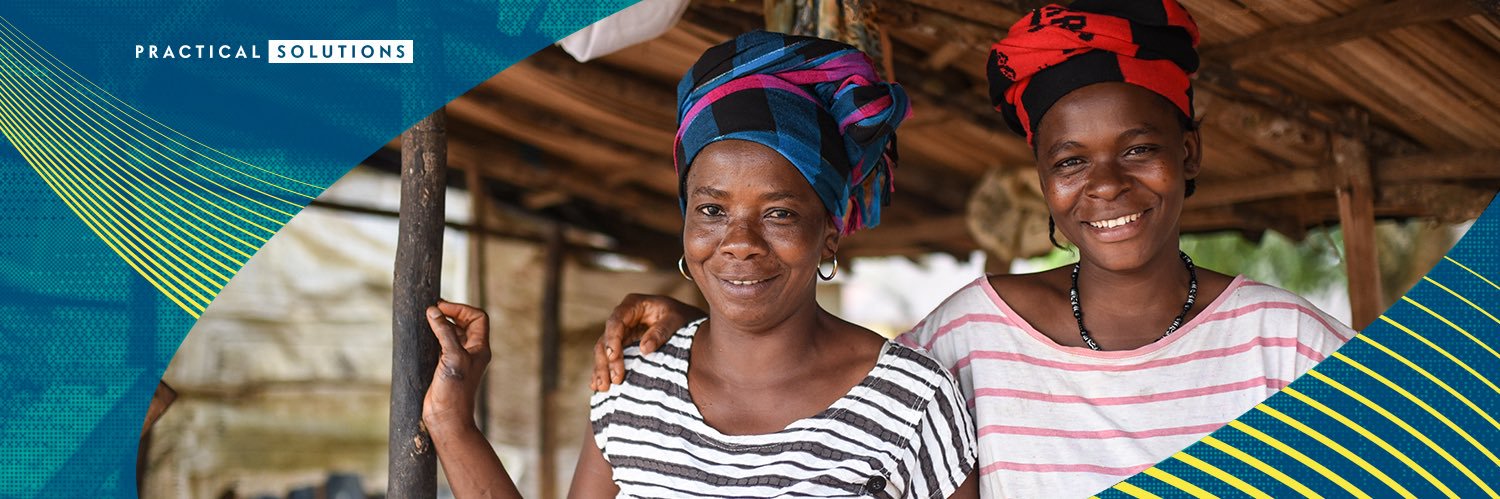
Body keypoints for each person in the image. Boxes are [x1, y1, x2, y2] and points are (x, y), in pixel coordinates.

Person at [589, 2, 1355, 498]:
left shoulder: (1286, 345)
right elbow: (803, 370)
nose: (1107, 185)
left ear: (1188, 153)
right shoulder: (973, 336)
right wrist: (704, 322)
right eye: (1070, 161)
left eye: (1141, 148)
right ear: (1043, 178)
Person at [425, 31, 980, 498]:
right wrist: (452, 424)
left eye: (780, 213)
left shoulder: (909, 401)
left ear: (829, 234)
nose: (739, 242)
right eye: (712, 210)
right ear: (686, 222)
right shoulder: (636, 383)